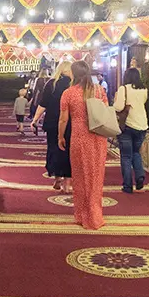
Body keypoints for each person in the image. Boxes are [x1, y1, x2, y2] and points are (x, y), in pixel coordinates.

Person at [58, 60, 108, 229]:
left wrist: (60, 136)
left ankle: (82, 215)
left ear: (74, 74)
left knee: (80, 177)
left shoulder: (69, 93)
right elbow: (105, 112)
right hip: (98, 137)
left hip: (79, 137)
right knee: (96, 176)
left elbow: (63, 119)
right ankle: (95, 215)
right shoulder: (100, 91)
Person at [31, 61, 72, 192]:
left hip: (52, 122)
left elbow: (43, 104)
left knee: (54, 149)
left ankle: (57, 177)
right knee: (68, 152)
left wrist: (35, 120)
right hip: (70, 123)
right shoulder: (74, 84)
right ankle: (67, 183)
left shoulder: (51, 84)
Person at [114, 67, 149, 193]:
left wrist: (114, 102)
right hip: (142, 124)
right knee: (136, 152)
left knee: (126, 156)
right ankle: (139, 176)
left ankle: (127, 186)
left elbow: (118, 107)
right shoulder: (144, 89)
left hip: (127, 126)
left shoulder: (124, 89)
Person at [30, 69, 50, 134]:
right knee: (48, 112)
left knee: (40, 111)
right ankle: (46, 126)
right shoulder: (50, 79)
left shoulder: (38, 79)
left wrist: (34, 99)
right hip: (48, 96)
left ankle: (36, 123)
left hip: (40, 96)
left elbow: (36, 90)